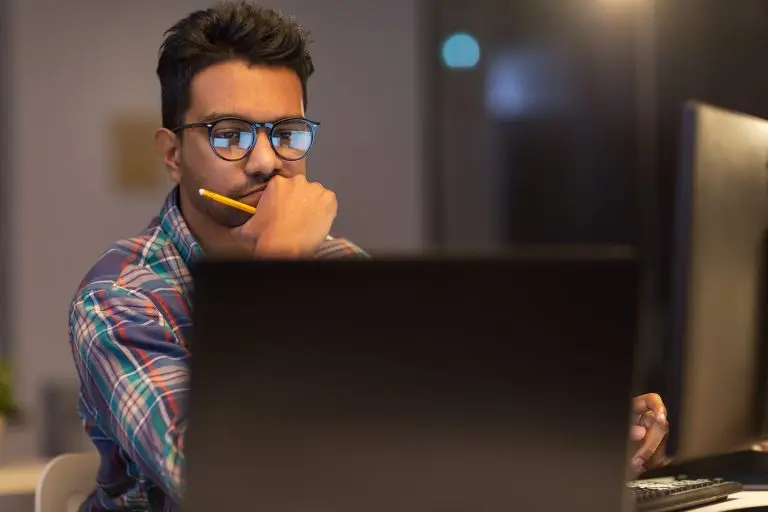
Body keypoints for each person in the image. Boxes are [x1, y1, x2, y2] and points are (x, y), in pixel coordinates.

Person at [67, 3, 668, 511]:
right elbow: (218, 482)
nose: (264, 161)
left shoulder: (338, 263)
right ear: (172, 153)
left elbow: (426, 434)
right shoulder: (121, 296)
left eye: (287, 132)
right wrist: (278, 271)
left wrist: (578, 444)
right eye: (229, 134)